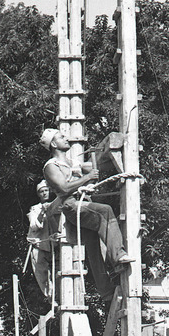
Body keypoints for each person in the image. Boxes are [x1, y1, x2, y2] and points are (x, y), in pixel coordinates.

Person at [39, 127, 132, 300]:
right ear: (53, 143)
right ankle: (118, 257)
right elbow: (63, 188)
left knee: (93, 245)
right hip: (72, 205)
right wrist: (87, 179)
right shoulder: (51, 167)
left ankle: (106, 291)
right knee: (106, 211)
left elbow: (94, 165)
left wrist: (109, 155)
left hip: (83, 203)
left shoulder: (72, 163)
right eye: (61, 137)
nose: (66, 138)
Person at [26, 180, 55, 299]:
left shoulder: (56, 204)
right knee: (42, 276)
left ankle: (58, 297)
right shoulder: (35, 209)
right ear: (39, 194)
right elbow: (34, 226)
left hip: (55, 246)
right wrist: (42, 211)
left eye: (46, 190)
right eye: (41, 192)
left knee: (59, 273)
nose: (44, 193)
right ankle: (50, 298)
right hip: (39, 246)